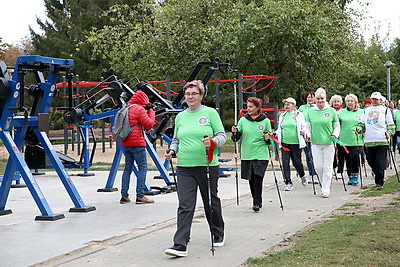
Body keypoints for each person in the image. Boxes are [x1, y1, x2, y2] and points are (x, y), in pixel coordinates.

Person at [164, 80, 226, 257]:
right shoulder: (181, 116)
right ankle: (180, 244)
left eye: (194, 94)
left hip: (207, 164)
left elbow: (222, 136)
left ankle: (218, 232)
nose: (190, 97)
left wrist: (212, 142)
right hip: (184, 166)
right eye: (188, 94)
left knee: (210, 202)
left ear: (201, 95)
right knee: (185, 204)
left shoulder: (210, 113)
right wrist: (171, 150)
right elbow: (176, 139)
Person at [231, 97, 271, 211]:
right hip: (247, 154)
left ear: (257, 107)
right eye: (247, 106)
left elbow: (270, 140)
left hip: (260, 153)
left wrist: (267, 138)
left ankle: (256, 202)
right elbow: (235, 138)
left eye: (251, 107)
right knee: (251, 178)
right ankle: (256, 199)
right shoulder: (243, 120)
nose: (248, 109)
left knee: (258, 177)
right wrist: (235, 132)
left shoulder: (265, 121)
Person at [120, 90, 155, 204]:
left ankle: (124, 196)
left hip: (125, 143)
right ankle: (140, 196)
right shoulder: (139, 109)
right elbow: (149, 125)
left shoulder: (126, 108)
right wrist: (151, 112)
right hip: (137, 144)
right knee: (142, 168)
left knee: (127, 169)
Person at [304, 88, 340, 198]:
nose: (320, 101)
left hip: (329, 142)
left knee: (327, 166)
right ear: (315, 99)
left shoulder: (331, 111)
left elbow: (337, 126)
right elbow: (307, 127)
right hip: (315, 142)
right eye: (318, 99)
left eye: (322, 99)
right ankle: (322, 182)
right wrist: (308, 135)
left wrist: (335, 134)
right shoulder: (310, 112)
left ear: (325, 99)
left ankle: (326, 188)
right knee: (318, 167)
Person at [357, 91, 395, 190]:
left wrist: (389, 133)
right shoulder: (366, 110)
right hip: (369, 140)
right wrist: (359, 129)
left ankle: (379, 182)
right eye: (373, 99)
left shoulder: (385, 110)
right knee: (370, 160)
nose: (374, 101)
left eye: (376, 99)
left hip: (382, 139)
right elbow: (361, 123)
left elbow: (391, 125)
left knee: (379, 161)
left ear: (380, 100)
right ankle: (378, 172)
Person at [276, 97, 307, 190]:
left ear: (293, 105)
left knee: (296, 162)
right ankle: (288, 182)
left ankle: (302, 175)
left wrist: (303, 131)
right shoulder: (282, 115)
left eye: (288, 104)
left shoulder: (299, 115)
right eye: (285, 104)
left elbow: (304, 126)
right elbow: (280, 128)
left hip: (296, 143)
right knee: (285, 162)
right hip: (285, 143)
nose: (286, 106)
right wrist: (275, 133)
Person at [337, 94, 364, 185]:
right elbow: (337, 125)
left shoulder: (361, 112)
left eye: (351, 101)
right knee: (347, 158)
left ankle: (355, 175)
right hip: (344, 139)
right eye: (348, 101)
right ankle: (350, 176)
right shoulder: (341, 112)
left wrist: (360, 129)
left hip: (356, 139)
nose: (349, 102)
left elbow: (363, 124)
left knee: (354, 157)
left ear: (355, 102)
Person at [298, 92, 318, 184]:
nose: (310, 99)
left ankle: (317, 173)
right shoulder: (302, 108)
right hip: (304, 134)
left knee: (315, 155)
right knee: (308, 155)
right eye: (308, 97)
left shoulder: (317, 107)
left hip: (315, 133)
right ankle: (312, 174)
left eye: (312, 97)